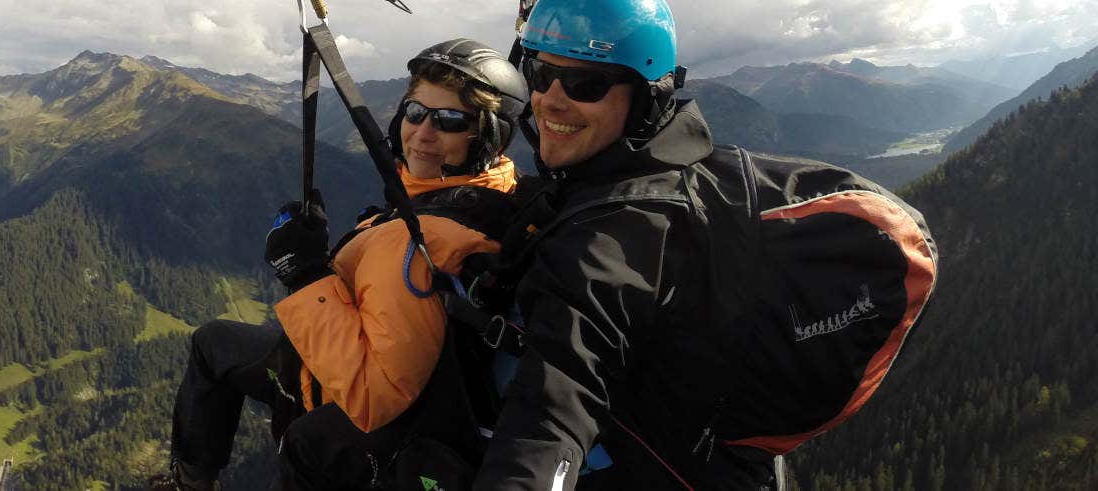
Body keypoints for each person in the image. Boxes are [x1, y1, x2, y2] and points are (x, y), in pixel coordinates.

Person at [161, 38, 528, 490]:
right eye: (415, 112)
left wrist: (304, 274)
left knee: (247, 380)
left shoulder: (427, 239)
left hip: (330, 394)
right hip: (328, 358)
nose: (422, 133)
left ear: (490, 135)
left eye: (450, 121)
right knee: (214, 342)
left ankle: (190, 481)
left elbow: (373, 395)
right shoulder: (476, 195)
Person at [472, 0, 782, 488]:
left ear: (644, 97)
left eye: (585, 84)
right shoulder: (667, 175)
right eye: (540, 73)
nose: (551, 100)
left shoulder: (613, 238)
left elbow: (553, 405)